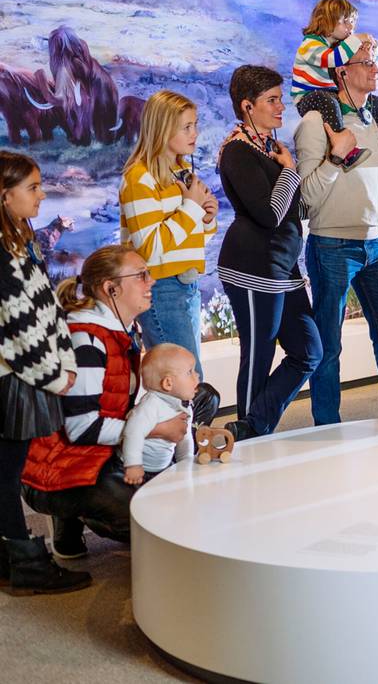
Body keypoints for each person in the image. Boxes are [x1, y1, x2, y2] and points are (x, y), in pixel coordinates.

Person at [22, 245, 219, 554]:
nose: (151, 281)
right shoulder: (85, 339)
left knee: (202, 397)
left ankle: (151, 474)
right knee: (160, 519)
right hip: (62, 463)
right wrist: (157, 429)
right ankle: (72, 512)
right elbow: (81, 428)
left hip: (102, 448)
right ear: (110, 289)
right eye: (141, 275)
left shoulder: (123, 330)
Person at [295, 35, 378, 425]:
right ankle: (326, 426)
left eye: (376, 60)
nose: (376, 68)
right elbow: (307, 197)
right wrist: (336, 157)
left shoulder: (376, 118)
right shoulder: (315, 122)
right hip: (331, 244)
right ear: (342, 71)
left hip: (374, 242)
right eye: (367, 62)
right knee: (329, 345)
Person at [0, 151, 91, 595]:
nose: (41, 195)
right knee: (6, 473)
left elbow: (47, 311)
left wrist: (63, 362)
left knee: (6, 472)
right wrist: (57, 375)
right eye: (32, 188)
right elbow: (17, 329)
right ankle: (26, 565)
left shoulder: (20, 243)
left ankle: (13, 561)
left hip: (27, 374)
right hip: (12, 380)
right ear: (5, 196)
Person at [218, 65, 320, 440]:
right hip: (252, 267)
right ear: (248, 106)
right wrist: (290, 171)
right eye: (272, 100)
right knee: (258, 355)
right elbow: (270, 214)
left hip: (283, 268)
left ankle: (251, 426)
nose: (281, 107)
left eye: (280, 99)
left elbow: (292, 209)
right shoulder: (237, 151)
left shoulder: (269, 148)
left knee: (309, 350)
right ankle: (247, 440)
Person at [119, 90, 217, 375]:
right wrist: (192, 208)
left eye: (195, 125)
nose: (195, 133)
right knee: (184, 380)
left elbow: (190, 240)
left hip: (186, 284)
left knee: (189, 377)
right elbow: (149, 249)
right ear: (162, 129)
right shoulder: (139, 178)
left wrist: (206, 218)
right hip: (161, 288)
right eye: (187, 127)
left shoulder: (181, 171)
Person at [292, 0, 378, 169]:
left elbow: (359, 55)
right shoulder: (309, 45)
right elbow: (333, 59)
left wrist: (371, 45)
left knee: (377, 102)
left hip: (328, 94)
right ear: (326, 21)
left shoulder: (336, 44)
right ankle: (343, 147)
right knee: (328, 101)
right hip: (308, 96)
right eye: (345, 22)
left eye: (353, 24)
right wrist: (357, 39)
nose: (351, 29)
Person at [121, 345, 198, 486]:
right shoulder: (151, 405)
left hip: (164, 467)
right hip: (139, 470)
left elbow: (184, 438)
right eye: (190, 372)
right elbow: (133, 432)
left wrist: (186, 465)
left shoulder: (184, 406)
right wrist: (133, 465)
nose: (197, 376)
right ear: (168, 383)